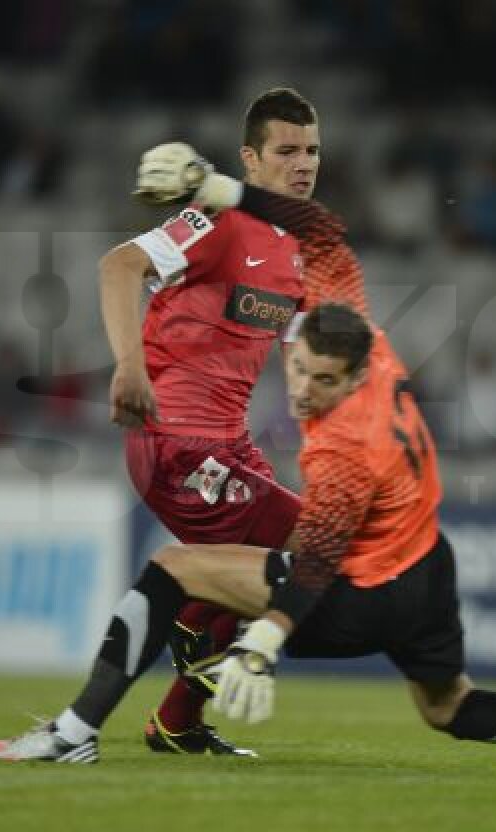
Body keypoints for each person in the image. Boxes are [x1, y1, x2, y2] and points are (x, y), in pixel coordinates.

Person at [0, 304, 496, 765]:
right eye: (300, 369)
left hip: (362, 596)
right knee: (447, 708)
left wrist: (264, 640)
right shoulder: (378, 359)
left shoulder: (342, 448)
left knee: (173, 568)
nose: (305, 390)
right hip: (427, 574)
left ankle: (74, 733)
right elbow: (326, 254)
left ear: (356, 378)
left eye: (325, 381)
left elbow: (318, 559)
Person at [96, 87, 322, 757]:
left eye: (312, 151)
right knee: (308, 548)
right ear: (250, 159)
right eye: (286, 150)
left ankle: (179, 716)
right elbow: (120, 265)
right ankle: (190, 630)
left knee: (268, 568)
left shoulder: (298, 249)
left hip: (229, 444)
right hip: (172, 439)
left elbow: (308, 359)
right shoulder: (220, 220)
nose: (303, 163)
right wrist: (129, 366)